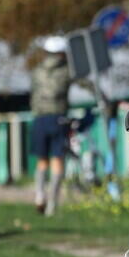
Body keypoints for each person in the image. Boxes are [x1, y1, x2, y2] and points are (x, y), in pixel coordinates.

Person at [29, 36, 91, 216]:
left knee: (42, 160)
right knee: (57, 160)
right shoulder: (67, 70)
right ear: (62, 53)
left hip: (39, 118)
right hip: (58, 119)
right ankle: (52, 204)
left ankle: (39, 196)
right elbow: (85, 82)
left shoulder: (37, 70)